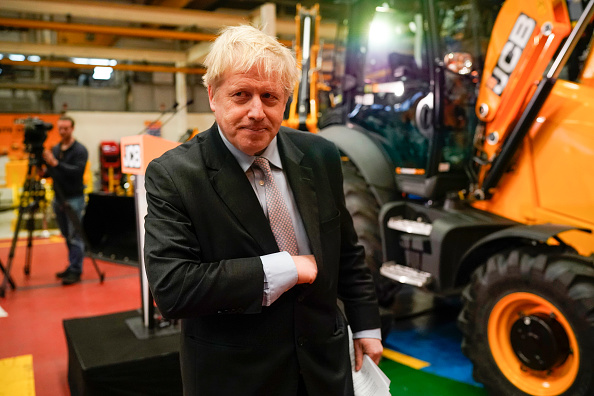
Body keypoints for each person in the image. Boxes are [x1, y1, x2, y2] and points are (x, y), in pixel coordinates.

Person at [144, 25, 383, 396]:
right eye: (241, 94)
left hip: (326, 369)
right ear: (213, 95)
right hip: (237, 377)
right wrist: (288, 267)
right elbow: (173, 288)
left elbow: (347, 251)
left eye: (270, 97)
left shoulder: (320, 156)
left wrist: (366, 327)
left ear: (285, 100)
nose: (257, 112)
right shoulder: (174, 175)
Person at [42, 116, 89, 286]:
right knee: (66, 235)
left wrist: (55, 163)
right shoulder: (55, 148)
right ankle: (72, 265)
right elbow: (52, 172)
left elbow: (77, 172)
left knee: (75, 236)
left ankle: (76, 270)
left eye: (66, 128)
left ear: (72, 128)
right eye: (60, 128)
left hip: (74, 198)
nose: (62, 132)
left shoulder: (80, 150)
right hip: (58, 198)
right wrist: (45, 167)